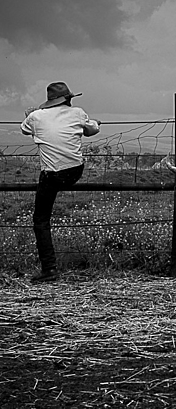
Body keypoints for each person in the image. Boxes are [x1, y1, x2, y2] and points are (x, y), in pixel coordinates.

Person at [21, 82, 101, 283]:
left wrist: (33, 115)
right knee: (45, 211)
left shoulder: (35, 117)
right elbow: (92, 130)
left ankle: (49, 269)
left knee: (41, 220)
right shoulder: (78, 113)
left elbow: (24, 130)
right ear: (68, 99)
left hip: (52, 175)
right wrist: (94, 123)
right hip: (75, 172)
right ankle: (50, 269)